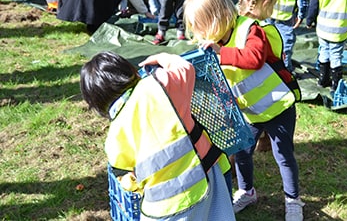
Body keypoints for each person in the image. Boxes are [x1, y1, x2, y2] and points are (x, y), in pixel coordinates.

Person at [183, 0, 304, 221]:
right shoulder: (215, 44)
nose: (202, 36)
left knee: (284, 155)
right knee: (242, 153)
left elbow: (255, 58)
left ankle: (293, 199)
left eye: (202, 28)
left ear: (216, 19)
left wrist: (220, 53)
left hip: (277, 107)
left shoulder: (250, 29)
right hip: (249, 112)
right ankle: (247, 191)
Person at [79, 51, 235, 220]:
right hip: (206, 176)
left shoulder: (114, 138)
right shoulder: (159, 85)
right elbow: (185, 68)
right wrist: (163, 57)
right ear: (127, 70)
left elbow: (127, 168)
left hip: (163, 207)